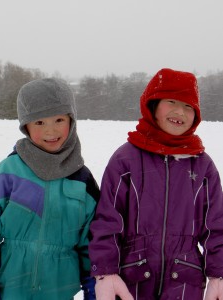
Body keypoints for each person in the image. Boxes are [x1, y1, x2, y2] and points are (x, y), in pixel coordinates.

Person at [89, 68, 223, 300]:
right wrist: (105, 271)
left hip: (185, 283)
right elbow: (108, 221)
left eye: (188, 106)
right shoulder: (126, 159)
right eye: (171, 101)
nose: (180, 111)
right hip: (131, 281)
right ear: (153, 105)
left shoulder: (202, 166)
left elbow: (216, 226)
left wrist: (219, 274)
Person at [0, 78, 99, 300]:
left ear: (71, 120)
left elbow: (91, 243)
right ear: (26, 126)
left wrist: (93, 284)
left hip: (59, 290)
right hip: (10, 289)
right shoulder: (9, 171)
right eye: (39, 123)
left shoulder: (83, 180)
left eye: (59, 119)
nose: (50, 130)